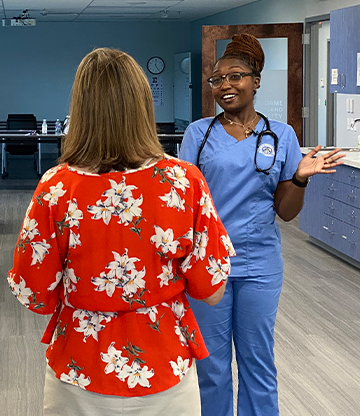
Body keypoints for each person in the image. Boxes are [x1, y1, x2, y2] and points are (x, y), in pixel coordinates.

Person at [7, 47, 235, 416]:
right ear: (144, 106)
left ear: (79, 109)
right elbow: (211, 290)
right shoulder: (182, 182)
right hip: (165, 367)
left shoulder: (56, 187)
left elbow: (35, 296)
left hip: (80, 369)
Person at [179, 33, 345, 416]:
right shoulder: (198, 135)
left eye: (235, 76)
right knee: (211, 365)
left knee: (258, 360)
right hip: (208, 265)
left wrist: (300, 178)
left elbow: (286, 212)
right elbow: (184, 204)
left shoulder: (282, 135)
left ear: (256, 80)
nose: (225, 86)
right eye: (217, 79)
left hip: (259, 264)